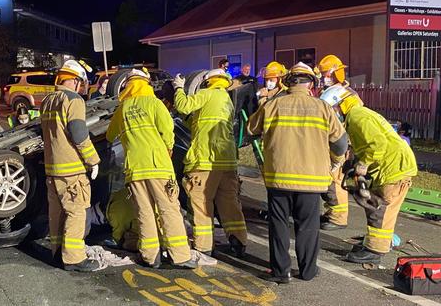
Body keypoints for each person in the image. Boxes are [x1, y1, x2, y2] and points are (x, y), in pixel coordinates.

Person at [248, 62, 348, 283]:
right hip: (311, 181)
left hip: (278, 179)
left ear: (287, 81)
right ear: (311, 83)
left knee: (279, 225)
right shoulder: (323, 108)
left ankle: (281, 272)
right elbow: (341, 143)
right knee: (308, 227)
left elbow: (250, 130)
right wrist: (335, 161)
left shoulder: (272, 105)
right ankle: (308, 270)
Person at [106, 68, 196, 269]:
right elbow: (167, 130)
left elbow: (110, 135)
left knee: (143, 212)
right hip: (158, 167)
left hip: (134, 170)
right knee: (168, 210)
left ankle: (150, 256)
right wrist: (169, 148)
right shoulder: (154, 103)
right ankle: (180, 256)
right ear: (145, 83)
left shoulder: (123, 108)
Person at [320, 85, 417, 264]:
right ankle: (376, 244)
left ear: (339, 106)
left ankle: (375, 249)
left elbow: (376, 144)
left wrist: (363, 165)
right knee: (379, 208)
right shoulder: (358, 116)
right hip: (394, 166)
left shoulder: (358, 117)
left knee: (380, 209)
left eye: (331, 110)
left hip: (393, 169)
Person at [172, 68, 247, 257]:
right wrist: (187, 119)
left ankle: (203, 247)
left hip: (205, 161)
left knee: (201, 203)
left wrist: (178, 89)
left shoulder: (206, 94)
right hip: (227, 162)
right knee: (229, 203)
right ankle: (238, 241)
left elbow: (183, 106)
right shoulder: (226, 100)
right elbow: (200, 124)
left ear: (207, 82)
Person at [40, 60, 101, 272]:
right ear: (75, 81)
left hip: (52, 169)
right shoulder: (73, 100)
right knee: (76, 212)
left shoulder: (47, 100)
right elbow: (78, 132)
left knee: (57, 213)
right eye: (81, 83)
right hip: (71, 169)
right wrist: (92, 159)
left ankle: (58, 252)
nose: (81, 88)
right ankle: (74, 258)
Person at [316, 55, 351, 231]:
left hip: (338, 143)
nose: (324, 77)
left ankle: (338, 217)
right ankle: (332, 212)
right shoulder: (336, 91)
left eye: (326, 74)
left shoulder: (339, 93)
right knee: (329, 180)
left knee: (334, 181)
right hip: (333, 141)